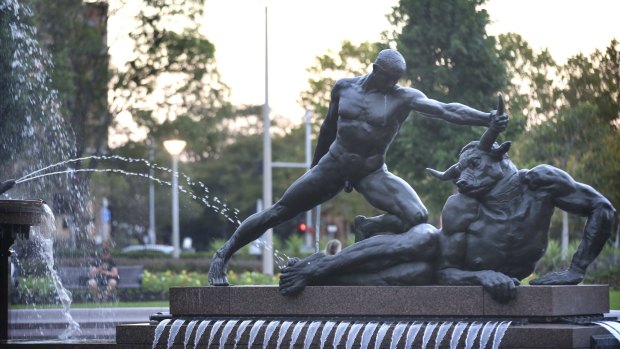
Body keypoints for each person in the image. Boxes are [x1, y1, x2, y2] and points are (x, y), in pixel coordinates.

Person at [208, 48, 508, 286]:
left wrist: (485, 118)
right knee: (279, 211)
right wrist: (314, 168)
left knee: (417, 216)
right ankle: (223, 255)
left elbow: (446, 110)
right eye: (389, 77)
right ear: (376, 69)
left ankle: (369, 228)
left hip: (372, 171)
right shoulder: (344, 88)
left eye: (397, 78)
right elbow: (327, 128)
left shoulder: (403, 97)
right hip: (335, 165)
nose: (393, 83)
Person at [278, 124, 615, 303]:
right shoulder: (462, 205)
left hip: (443, 275)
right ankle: (318, 266)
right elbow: (447, 272)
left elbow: (602, 208)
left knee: (405, 275)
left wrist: (576, 269)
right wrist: (483, 277)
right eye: (462, 169)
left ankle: (315, 273)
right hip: (444, 263)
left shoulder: (540, 182)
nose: (465, 177)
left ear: (500, 158)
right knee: (422, 238)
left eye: (475, 165)